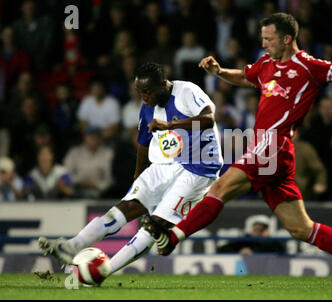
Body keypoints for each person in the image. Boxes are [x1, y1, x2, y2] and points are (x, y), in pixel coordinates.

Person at [144, 13, 332, 290]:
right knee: (301, 229)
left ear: (286, 38)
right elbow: (245, 77)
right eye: (262, 38)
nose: (263, 44)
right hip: (271, 151)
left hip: (275, 145)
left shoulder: (310, 66)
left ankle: (173, 236)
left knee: (221, 186)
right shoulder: (265, 64)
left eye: (268, 39)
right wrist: (220, 72)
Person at [38, 62, 223, 276]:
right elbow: (143, 142)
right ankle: (71, 247)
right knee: (125, 207)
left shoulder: (186, 91)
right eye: (139, 91)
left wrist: (170, 125)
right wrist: (138, 175)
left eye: (147, 91)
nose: (143, 96)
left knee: (155, 225)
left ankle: (105, 271)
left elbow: (209, 119)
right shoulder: (146, 108)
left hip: (198, 170)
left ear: (163, 85)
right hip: (165, 164)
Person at [217, 215, 285, 254]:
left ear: (266, 230)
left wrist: (254, 251)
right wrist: (240, 251)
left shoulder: (271, 243)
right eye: (256, 227)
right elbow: (223, 249)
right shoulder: (245, 240)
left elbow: (281, 252)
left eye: (261, 228)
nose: (257, 230)